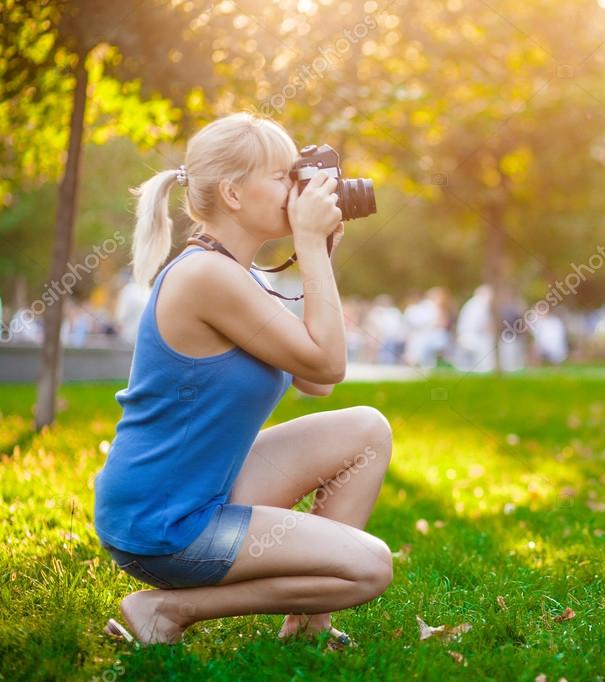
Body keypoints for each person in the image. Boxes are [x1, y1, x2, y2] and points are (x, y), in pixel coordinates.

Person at [93, 112, 394, 646]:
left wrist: (317, 250)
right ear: (233, 194)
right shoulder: (205, 276)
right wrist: (309, 239)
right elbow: (328, 365)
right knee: (370, 566)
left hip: (200, 491)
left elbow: (315, 382)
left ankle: (307, 624)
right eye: (282, 176)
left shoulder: (240, 275)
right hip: (165, 523)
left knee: (366, 430)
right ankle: (166, 609)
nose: (296, 187)